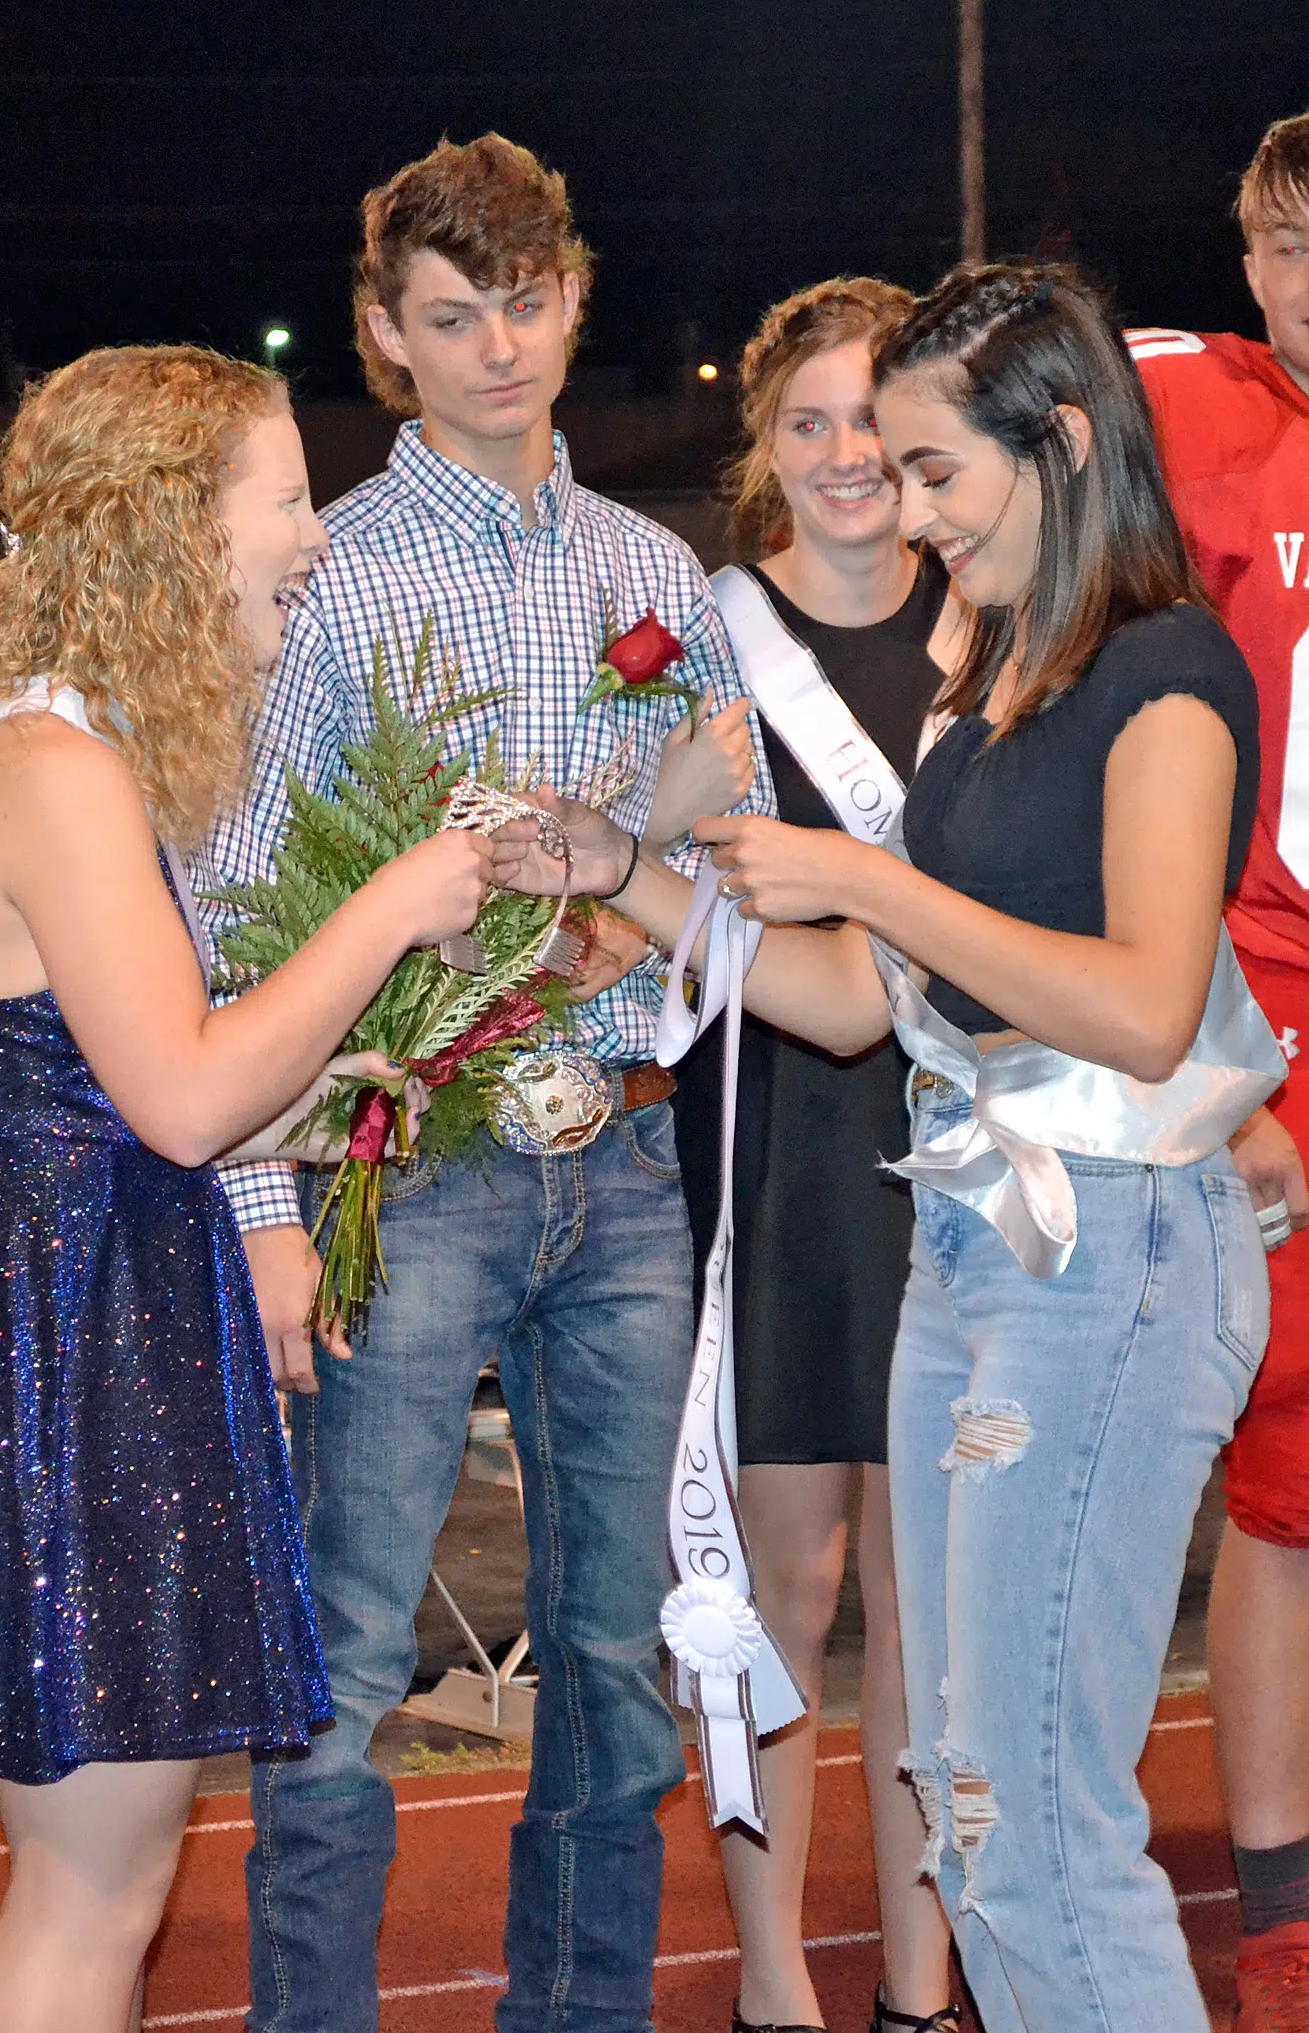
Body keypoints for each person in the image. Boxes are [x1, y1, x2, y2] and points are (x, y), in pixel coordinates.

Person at [498, 262, 1280, 2033]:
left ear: (1062, 443)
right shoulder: (994, 673)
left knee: (1040, 1822)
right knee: (970, 1796)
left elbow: (1149, 1004)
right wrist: (627, 870)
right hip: (975, 1248)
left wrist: (870, 876)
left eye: (938, 471)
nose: (906, 508)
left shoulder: (1165, 675)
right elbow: (859, 1004)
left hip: (1113, 1255)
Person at [0, 343, 498, 2033]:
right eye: (283, 499)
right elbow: (184, 1100)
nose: (314, 537)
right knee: (93, 1891)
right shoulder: (55, 775)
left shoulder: (53, 751)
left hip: (75, 1310)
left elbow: (143, 1081)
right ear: (167, 534)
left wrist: (361, 1065)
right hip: (74, 1338)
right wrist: (393, 906)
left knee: (103, 1884)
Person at [198, 132, 774, 2033]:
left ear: (576, 293)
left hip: (620, 1164)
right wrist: (273, 1215)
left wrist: (633, 896)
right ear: (385, 332)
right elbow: (239, 913)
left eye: (526, 303)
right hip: (405, 1171)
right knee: (350, 1657)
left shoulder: (657, 575)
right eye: (451, 317)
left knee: (613, 1660)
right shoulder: (334, 577)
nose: (499, 347)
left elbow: (732, 886)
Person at [668, 277, 963, 2033]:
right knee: (783, 1581)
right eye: (811, 424)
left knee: (939, 1600)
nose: (851, 457)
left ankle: (921, 1990)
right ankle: (777, 1987)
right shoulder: (704, 646)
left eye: (879, 421)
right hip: (771, 1142)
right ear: (762, 445)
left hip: (958, 1141)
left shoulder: (1000, 620)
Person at [1128, 107, 1309, 2031]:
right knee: (1287, 1488)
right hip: (1271, 999)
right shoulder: (1188, 410)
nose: (1294, 282)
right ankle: (1282, 1908)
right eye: (1272, 244)